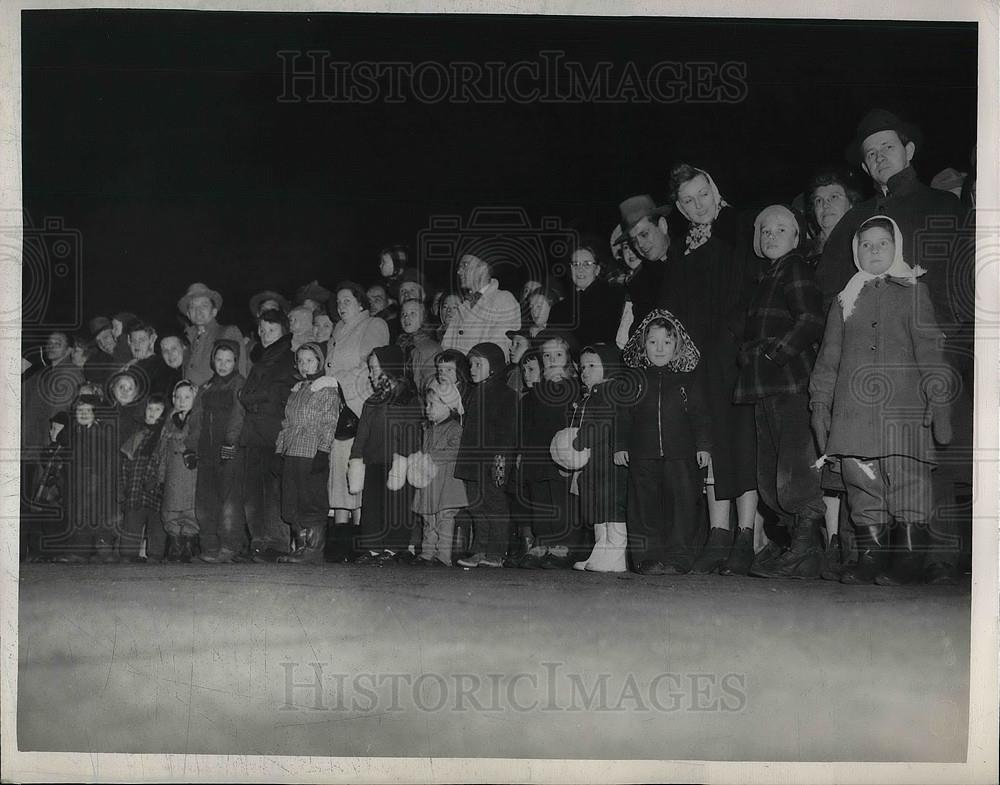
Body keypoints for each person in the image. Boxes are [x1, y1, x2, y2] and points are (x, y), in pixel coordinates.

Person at [818, 108, 971, 585]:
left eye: (887, 146)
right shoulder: (858, 220)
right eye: (870, 154)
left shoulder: (946, 207)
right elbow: (831, 288)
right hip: (867, 360)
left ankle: (940, 556)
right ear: (864, 168)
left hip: (938, 347)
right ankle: (872, 555)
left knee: (933, 456)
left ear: (909, 150)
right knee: (866, 459)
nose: (879, 156)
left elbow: (970, 279)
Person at [810, 215, 952, 585]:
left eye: (882, 244)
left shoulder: (913, 292)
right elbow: (828, 359)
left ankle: (908, 561)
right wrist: (820, 405)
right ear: (856, 252)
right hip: (853, 416)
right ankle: (870, 559)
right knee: (862, 486)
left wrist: (939, 401)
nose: (873, 250)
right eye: (866, 244)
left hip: (903, 413)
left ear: (897, 248)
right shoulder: (845, 299)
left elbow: (930, 349)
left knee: (908, 483)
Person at [661, 164, 761, 576]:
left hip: (731, 354)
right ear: (680, 208)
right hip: (696, 358)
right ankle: (717, 534)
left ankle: (745, 534)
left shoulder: (739, 226)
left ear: (714, 189)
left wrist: (729, 340)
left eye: (703, 194)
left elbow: (751, 291)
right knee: (710, 442)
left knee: (739, 441)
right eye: (688, 200)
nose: (698, 205)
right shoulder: (682, 247)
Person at [733, 204, 828, 580]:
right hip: (765, 387)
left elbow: (811, 319)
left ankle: (806, 546)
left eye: (781, 229)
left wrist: (774, 353)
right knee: (769, 469)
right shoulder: (765, 277)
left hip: (789, 382)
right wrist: (749, 356)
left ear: (796, 236)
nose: (772, 235)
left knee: (793, 466)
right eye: (765, 231)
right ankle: (796, 544)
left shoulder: (795, 268)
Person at [800, 167, 865, 578]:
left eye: (834, 198)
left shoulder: (862, 246)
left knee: (851, 452)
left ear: (852, 203)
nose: (825, 207)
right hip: (812, 361)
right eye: (819, 201)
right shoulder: (808, 253)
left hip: (850, 360)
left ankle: (855, 545)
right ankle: (828, 542)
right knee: (819, 454)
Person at [618, 311, 711, 575]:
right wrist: (621, 445)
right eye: (653, 342)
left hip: (680, 455)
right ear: (642, 345)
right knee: (643, 508)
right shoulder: (633, 379)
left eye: (667, 342)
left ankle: (678, 557)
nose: (660, 348)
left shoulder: (687, 380)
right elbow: (623, 415)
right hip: (642, 454)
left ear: (677, 346)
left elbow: (700, 414)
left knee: (681, 507)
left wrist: (703, 445)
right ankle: (647, 557)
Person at [324, 282, 391, 543]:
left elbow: (370, 367)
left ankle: (364, 537)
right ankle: (341, 538)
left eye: (347, 301)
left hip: (359, 406)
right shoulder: (338, 329)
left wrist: (336, 381)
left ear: (361, 302)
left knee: (357, 472)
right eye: (338, 302)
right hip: (338, 408)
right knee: (339, 473)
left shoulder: (373, 325)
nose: (341, 306)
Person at [349, 345, 422, 563]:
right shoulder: (371, 402)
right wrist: (356, 458)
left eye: (374, 369)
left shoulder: (408, 400)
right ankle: (372, 549)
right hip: (374, 462)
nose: (370, 374)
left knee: (396, 507)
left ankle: (393, 548)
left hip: (398, 465)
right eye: (370, 369)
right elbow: (362, 434)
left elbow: (412, 434)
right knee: (372, 507)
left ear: (390, 368)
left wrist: (403, 461)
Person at [563, 343, 629, 573]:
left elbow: (601, 425)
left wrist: (580, 441)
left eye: (592, 365)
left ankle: (616, 554)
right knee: (598, 507)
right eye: (582, 367)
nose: (585, 371)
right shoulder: (590, 396)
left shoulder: (610, 391)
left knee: (612, 507)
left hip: (609, 462)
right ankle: (601, 549)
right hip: (595, 463)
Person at [237, 309, 296, 562]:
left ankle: (277, 543)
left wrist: (249, 398)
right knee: (254, 490)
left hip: (273, 431)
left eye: (271, 330)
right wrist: (249, 397)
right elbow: (248, 394)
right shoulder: (263, 358)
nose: (264, 335)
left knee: (272, 489)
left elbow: (270, 394)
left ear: (283, 331)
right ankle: (259, 542)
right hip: (255, 431)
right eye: (261, 330)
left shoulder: (285, 358)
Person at [274, 343, 341, 565]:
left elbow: (330, 423)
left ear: (319, 361)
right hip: (292, 451)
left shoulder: (328, 389)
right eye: (300, 361)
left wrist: (323, 451)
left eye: (309, 360)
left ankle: (313, 550)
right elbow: (286, 423)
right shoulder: (297, 390)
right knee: (292, 499)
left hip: (312, 452)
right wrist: (278, 451)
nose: (304, 365)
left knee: (311, 499)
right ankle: (299, 547)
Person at [518, 332, 579, 569]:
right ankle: (542, 541)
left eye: (558, 354)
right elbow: (528, 425)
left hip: (562, 457)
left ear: (567, 358)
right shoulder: (536, 392)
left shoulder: (574, 387)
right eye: (547, 355)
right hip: (538, 456)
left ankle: (563, 544)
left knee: (560, 500)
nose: (552, 360)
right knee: (540, 499)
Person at [455, 342, 518, 569]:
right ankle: (479, 548)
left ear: (494, 367)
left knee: (495, 505)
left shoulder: (507, 394)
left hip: (492, 462)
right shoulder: (473, 393)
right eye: (470, 364)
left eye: (478, 364)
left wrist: (501, 460)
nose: (472, 368)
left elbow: (508, 431)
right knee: (476, 506)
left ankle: (497, 551)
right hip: (472, 461)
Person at [186, 340, 247, 563]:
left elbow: (239, 416)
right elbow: (195, 420)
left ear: (236, 362)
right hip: (206, 451)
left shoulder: (239, 385)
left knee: (229, 500)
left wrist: (230, 443)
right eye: (219, 360)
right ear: (213, 360)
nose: (223, 365)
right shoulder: (206, 387)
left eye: (228, 360)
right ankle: (209, 546)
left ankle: (229, 546)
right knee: (205, 500)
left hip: (228, 451)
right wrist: (191, 448)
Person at [410, 378, 468, 567]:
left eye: (432, 404)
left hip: (447, 485)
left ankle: (443, 556)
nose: (427, 408)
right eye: (427, 404)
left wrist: (429, 457)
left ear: (448, 405)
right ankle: (427, 553)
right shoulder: (427, 429)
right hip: (430, 484)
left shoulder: (455, 429)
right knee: (429, 519)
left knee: (444, 520)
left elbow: (455, 451)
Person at [54, 395, 119, 563]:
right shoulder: (73, 433)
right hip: (77, 481)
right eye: (79, 410)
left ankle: (104, 549)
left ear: (96, 414)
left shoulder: (102, 432)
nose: (83, 414)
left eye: (88, 411)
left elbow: (108, 459)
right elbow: (63, 447)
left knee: (99, 515)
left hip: (98, 481)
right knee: (79, 515)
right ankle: (79, 551)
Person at [441, 247, 521, 359]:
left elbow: (499, 351)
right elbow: (446, 347)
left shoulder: (503, 300)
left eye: (465, 265)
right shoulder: (464, 305)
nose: (459, 272)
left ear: (483, 268)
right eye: (459, 267)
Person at [549, 234, 627, 349]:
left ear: (597, 269)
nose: (580, 269)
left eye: (587, 264)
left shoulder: (613, 298)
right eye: (575, 264)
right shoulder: (559, 309)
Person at [613, 195, 670, 340]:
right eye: (634, 240)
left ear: (662, 225)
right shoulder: (640, 282)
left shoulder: (692, 259)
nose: (641, 245)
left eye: (644, 234)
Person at [118, 394, 167, 562]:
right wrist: (124, 485)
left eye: (158, 410)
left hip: (155, 487)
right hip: (135, 485)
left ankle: (156, 553)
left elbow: (164, 461)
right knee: (132, 520)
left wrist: (158, 479)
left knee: (157, 522)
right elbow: (126, 462)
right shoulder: (137, 434)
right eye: (150, 409)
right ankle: (128, 553)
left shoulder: (164, 436)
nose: (153, 413)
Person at [157, 380, 199, 563]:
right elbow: (162, 450)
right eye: (178, 397)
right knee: (171, 510)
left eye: (187, 397)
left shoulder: (198, 420)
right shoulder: (168, 422)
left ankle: (189, 542)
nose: (182, 401)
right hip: (173, 473)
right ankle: (175, 542)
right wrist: (160, 475)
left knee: (191, 510)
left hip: (191, 474)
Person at [177, 282, 246, 387]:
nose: (198, 310)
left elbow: (239, 375)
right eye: (193, 306)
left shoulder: (228, 333)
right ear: (188, 315)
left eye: (204, 305)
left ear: (214, 311)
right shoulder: (186, 341)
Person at [23, 412, 70, 562]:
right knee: (37, 523)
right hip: (42, 495)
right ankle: (38, 552)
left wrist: (57, 491)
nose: (51, 432)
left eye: (55, 429)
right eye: (51, 428)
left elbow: (63, 475)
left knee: (54, 523)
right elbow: (42, 472)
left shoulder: (66, 451)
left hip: (56, 496)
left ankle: (54, 553)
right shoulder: (50, 449)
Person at [397, 299, 441, 394]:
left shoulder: (431, 349)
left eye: (413, 313)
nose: (406, 317)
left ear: (424, 318)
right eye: (403, 314)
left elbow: (429, 386)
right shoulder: (400, 345)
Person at [125, 319, 172, 397]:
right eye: (133, 340)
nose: (137, 344)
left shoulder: (160, 365)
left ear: (151, 340)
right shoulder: (131, 366)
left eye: (142, 340)